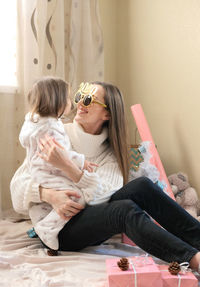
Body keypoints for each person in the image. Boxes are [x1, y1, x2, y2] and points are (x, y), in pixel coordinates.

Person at [11, 81, 200, 271]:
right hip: (56, 231)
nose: (81, 104)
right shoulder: (52, 133)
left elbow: (102, 198)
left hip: (89, 217)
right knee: (123, 210)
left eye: (89, 99)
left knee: (141, 185)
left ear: (107, 114)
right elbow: (16, 194)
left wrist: (69, 167)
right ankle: (194, 259)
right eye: (80, 97)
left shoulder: (110, 156)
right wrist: (49, 195)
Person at [18, 77, 97, 250]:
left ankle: (41, 220)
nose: (72, 103)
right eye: (68, 99)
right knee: (78, 197)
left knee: (66, 197)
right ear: (58, 103)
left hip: (40, 172)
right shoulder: (51, 128)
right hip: (47, 172)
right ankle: (46, 228)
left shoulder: (34, 122)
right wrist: (82, 162)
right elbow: (61, 154)